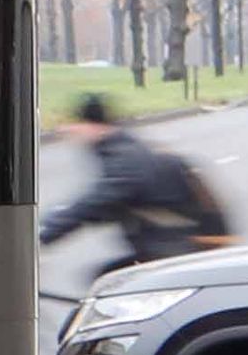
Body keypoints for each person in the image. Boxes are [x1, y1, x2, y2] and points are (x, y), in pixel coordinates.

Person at [36, 90, 228, 276]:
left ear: (92, 125)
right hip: (177, 243)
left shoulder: (125, 159)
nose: (66, 130)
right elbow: (102, 207)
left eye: (74, 124)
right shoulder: (125, 147)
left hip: (176, 248)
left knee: (108, 284)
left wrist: (42, 237)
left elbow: (96, 201)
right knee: (106, 279)